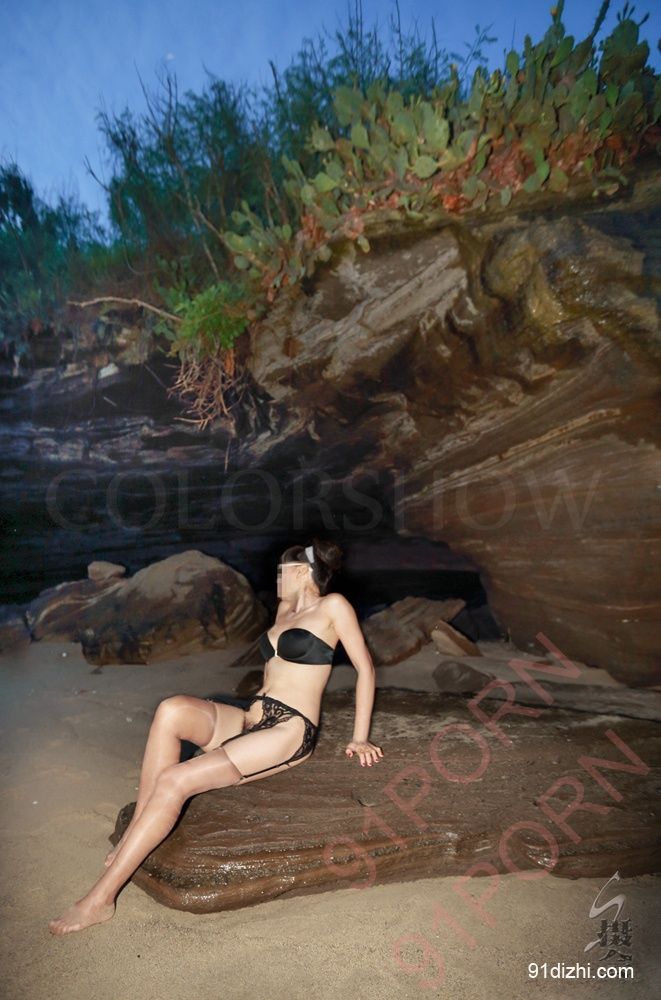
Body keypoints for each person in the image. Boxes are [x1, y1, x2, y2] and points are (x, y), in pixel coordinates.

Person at [48, 537, 383, 934]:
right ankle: (135, 829)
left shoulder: (333, 606)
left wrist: (359, 737)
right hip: (250, 717)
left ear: (301, 572)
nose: (276, 580)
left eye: (281, 573)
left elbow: (365, 668)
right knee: (171, 710)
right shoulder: (284, 610)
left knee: (175, 781)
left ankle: (100, 900)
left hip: (289, 729)